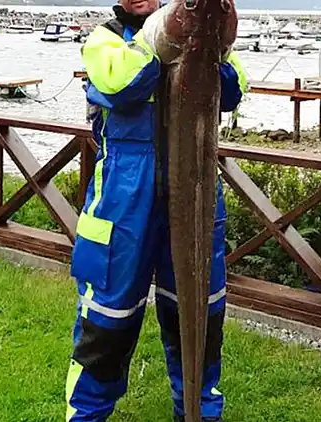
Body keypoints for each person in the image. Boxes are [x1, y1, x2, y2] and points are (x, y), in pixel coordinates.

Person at [64, 0, 247, 421]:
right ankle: (86, 415)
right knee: (106, 321)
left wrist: (206, 38)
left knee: (200, 312)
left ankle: (199, 412)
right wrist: (168, 37)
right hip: (123, 203)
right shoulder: (104, 40)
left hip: (197, 189)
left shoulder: (200, 35)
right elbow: (121, 86)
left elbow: (233, 89)